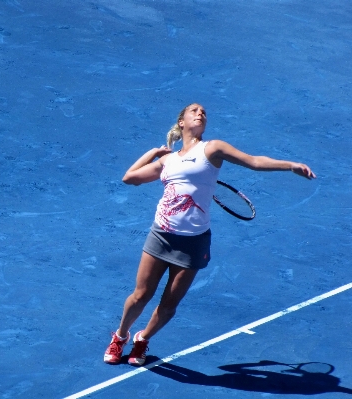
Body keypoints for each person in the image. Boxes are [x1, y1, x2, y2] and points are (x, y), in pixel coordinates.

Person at [103, 103, 316, 366]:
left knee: (169, 304)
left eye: (203, 112)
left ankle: (143, 339)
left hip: (193, 242)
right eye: (194, 111)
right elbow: (129, 178)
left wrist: (289, 165)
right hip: (162, 235)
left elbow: (254, 162)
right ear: (181, 122)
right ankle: (120, 336)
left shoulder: (212, 148)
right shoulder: (167, 161)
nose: (200, 113)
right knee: (141, 295)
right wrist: (154, 152)